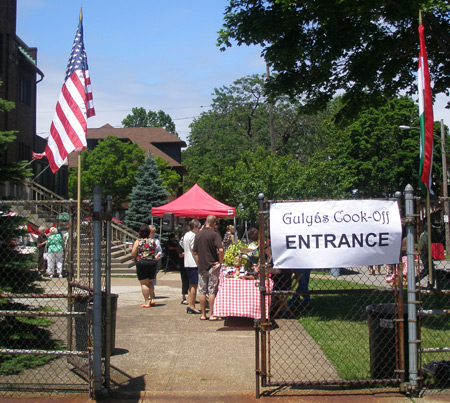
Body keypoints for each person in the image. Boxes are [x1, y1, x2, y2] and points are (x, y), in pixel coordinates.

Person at [193, 215, 224, 321]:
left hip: (201, 267)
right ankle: (212, 314)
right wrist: (220, 262)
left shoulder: (198, 235)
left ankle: (203, 314)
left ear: (206, 221)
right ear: (214, 223)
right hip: (212, 266)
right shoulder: (215, 234)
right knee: (212, 291)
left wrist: (199, 262)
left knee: (202, 291)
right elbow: (220, 249)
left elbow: (195, 252)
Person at [131, 224, 161, 307]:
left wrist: (137, 255)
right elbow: (154, 251)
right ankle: (152, 299)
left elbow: (133, 253)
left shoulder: (138, 241)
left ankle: (146, 301)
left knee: (144, 283)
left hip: (142, 262)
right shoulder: (152, 241)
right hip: (152, 262)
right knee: (150, 281)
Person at [183, 219, 202, 314]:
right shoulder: (193, 236)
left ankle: (190, 304)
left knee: (191, 285)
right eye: (198, 228)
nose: (199, 230)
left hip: (187, 262)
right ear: (195, 227)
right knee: (194, 285)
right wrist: (199, 263)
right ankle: (192, 305)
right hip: (193, 263)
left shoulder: (186, 234)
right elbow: (195, 251)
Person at [417, 221, 436, 288]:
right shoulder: (425, 234)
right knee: (428, 269)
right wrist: (428, 253)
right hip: (424, 253)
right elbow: (424, 246)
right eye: (431, 228)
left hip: (427, 253)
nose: (432, 229)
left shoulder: (428, 234)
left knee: (430, 269)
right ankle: (416, 280)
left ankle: (430, 284)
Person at [178, 225, 190, 305]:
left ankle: (191, 297)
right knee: (185, 280)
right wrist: (188, 253)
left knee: (191, 281)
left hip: (190, 262)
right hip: (183, 262)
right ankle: (184, 297)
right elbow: (180, 254)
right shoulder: (181, 241)